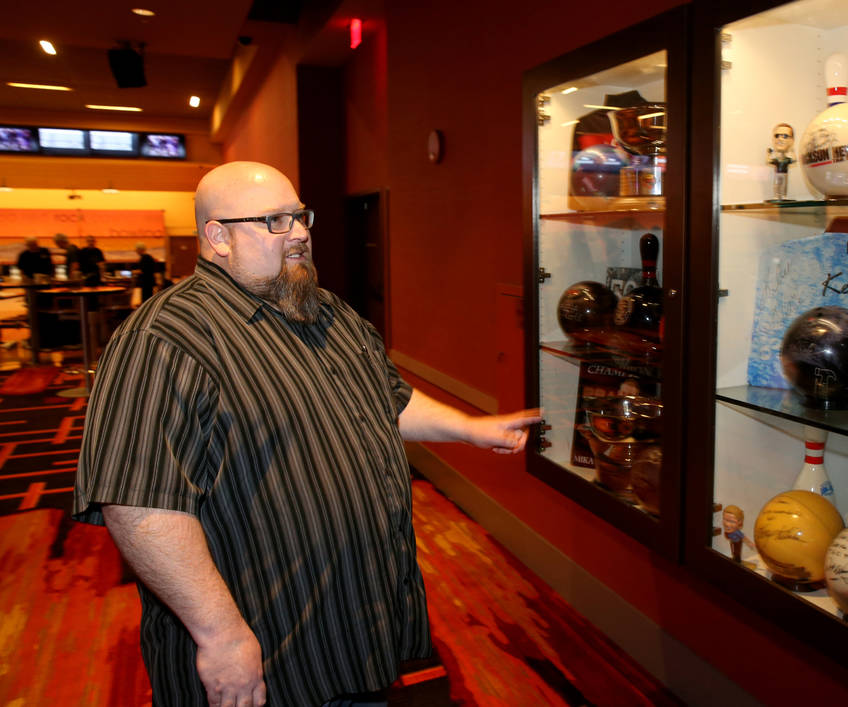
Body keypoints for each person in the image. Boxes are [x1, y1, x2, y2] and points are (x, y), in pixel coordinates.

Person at [73, 161, 542, 707]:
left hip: (351, 634)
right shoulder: (164, 339)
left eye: (299, 216)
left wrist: (470, 429)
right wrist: (220, 635)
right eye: (275, 221)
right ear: (218, 237)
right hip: (264, 654)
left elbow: (387, 401)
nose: (298, 232)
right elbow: (138, 506)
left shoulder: (326, 312)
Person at [767, 122, 796, 201]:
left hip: (784, 174)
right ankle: (777, 195)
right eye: (777, 136)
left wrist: (793, 152)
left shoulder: (787, 159)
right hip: (778, 174)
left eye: (785, 136)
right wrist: (768, 154)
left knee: (784, 185)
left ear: (792, 141)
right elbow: (768, 161)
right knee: (777, 184)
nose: (780, 139)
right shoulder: (776, 160)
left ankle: (783, 195)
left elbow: (794, 160)